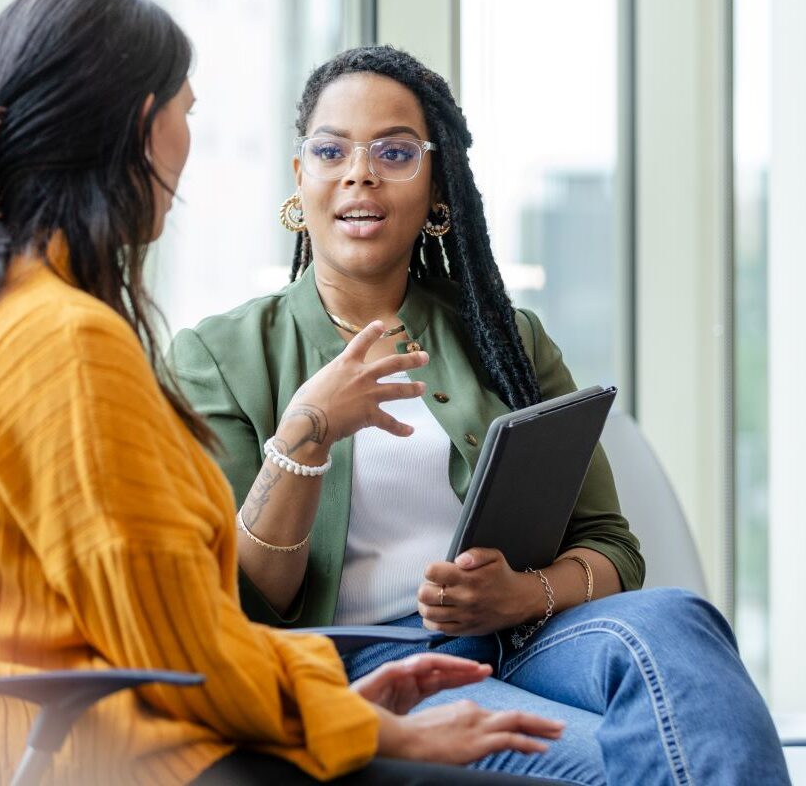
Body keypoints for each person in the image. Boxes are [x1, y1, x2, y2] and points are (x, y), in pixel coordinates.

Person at [0, 0, 565, 786]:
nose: (360, 177)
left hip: (103, 733)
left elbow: (172, 630)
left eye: (394, 152)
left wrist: (341, 703)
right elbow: (177, 647)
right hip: (139, 756)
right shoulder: (68, 345)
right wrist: (371, 728)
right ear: (144, 127)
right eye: (188, 113)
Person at [169, 44, 792, 786]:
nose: (359, 172)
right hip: (375, 660)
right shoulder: (216, 354)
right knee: (612, 764)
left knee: (681, 622)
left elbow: (612, 548)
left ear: (438, 189)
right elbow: (250, 595)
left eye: (395, 151)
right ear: (301, 179)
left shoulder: (508, 339)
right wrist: (309, 426)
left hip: (537, 636)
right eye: (331, 150)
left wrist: (521, 595)